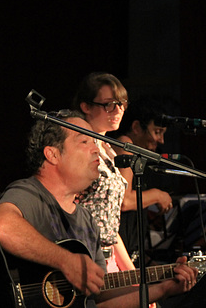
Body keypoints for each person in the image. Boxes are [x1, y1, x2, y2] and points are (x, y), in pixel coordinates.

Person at [0, 110, 198, 307]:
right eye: (85, 141)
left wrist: (163, 289)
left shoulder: (86, 218)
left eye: (96, 142)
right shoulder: (30, 193)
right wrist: (66, 261)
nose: (96, 149)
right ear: (53, 154)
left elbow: (100, 297)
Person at [72, 72, 173, 275]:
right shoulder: (79, 148)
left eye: (122, 103)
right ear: (86, 107)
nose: (118, 110)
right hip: (84, 256)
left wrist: (134, 276)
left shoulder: (108, 150)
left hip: (108, 255)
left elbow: (109, 225)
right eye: (109, 104)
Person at [109, 95, 174, 259]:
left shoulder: (135, 152)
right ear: (137, 127)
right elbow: (124, 201)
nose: (161, 140)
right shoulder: (125, 145)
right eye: (157, 132)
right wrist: (157, 195)